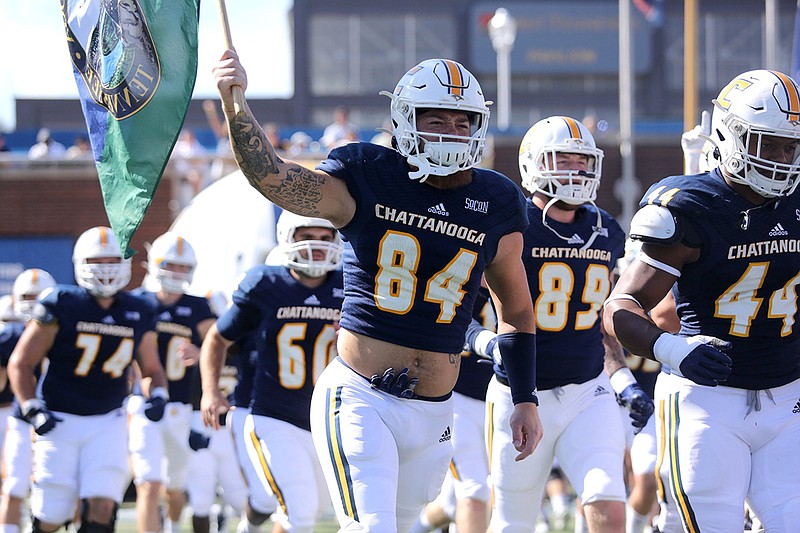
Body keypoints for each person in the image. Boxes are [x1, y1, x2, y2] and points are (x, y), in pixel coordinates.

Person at [210, 53, 542, 531]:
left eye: (462, 120)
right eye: (435, 119)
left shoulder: (498, 199)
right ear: (405, 120)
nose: (451, 131)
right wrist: (234, 102)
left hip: (435, 410)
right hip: (361, 395)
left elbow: (516, 312)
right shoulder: (368, 171)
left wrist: (525, 396)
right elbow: (275, 179)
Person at [602, 69, 800, 532]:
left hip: (788, 397)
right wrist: (674, 350)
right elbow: (619, 307)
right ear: (730, 136)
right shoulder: (693, 207)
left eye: (790, 146)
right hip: (707, 402)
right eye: (766, 143)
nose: (781, 158)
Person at [465, 116, 652, 532]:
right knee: (514, 519)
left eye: (581, 160)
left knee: (608, 499)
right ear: (534, 164)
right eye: (561, 158)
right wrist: (485, 343)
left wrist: (621, 379)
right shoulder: (511, 225)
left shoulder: (607, 230)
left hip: (589, 389)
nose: (574, 169)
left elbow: (602, 320)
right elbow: (457, 309)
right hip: (520, 392)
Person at [7, 226, 169, 533]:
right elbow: (21, 363)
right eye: (97, 261)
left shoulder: (138, 309)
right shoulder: (62, 303)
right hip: (58, 419)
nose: (105, 269)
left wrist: (158, 394)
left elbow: (151, 368)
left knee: (102, 507)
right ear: (80, 263)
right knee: (52, 516)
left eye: (112, 260)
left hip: (108, 420)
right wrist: (31, 406)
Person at [201, 211, 344, 532]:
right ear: (287, 237)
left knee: (301, 506)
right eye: (307, 237)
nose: (317, 247)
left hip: (323, 420)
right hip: (271, 415)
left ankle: (248, 527)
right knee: (300, 508)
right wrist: (211, 391)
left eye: (325, 238)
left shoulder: (348, 285)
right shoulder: (266, 284)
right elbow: (217, 338)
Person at [128, 233, 217, 533]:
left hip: (180, 408)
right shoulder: (138, 302)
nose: (177, 272)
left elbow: (223, 349)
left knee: (174, 488)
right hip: (146, 404)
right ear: (154, 264)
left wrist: (202, 350)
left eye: (183, 267)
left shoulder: (198, 307)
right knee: (149, 484)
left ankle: (173, 525)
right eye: (170, 265)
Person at [0, 269, 57, 533]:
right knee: (14, 487)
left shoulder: (66, 330)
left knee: (65, 492)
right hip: (23, 420)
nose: (33, 303)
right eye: (27, 296)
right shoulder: (9, 336)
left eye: (39, 296)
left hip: (62, 421)